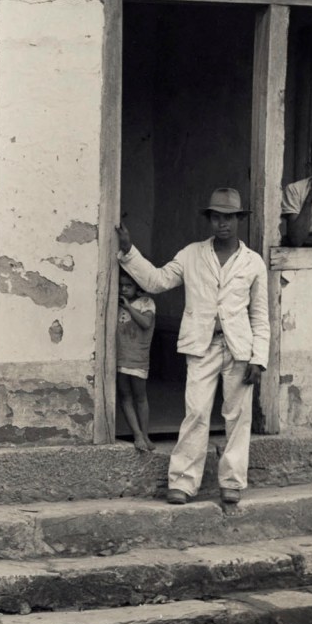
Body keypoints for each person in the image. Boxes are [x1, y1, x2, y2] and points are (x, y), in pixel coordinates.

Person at [116, 187, 269, 505]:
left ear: (238, 219)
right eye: (216, 217)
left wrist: (259, 357)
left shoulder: (253, 263)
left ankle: (232, 481)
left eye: (228, 217)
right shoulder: (191, 254)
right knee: (196, 412)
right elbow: (157, 281)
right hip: (202, 346)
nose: (222, 224)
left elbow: (260, 315)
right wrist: (129, 251)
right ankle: (183, 482)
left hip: (239, 347)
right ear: (209, 220)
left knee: (237, 416)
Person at [116, 271, 156, 453]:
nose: (124, 289)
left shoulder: (146, 303)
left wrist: (129, 308)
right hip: (120, 356)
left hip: (138, 357)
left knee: (140, 397)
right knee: (125, 396)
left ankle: (145, 434)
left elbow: (146, 323)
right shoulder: (115, 303)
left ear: (138, 286)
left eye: (128, 285)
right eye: (121, 285)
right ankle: (137, 434)